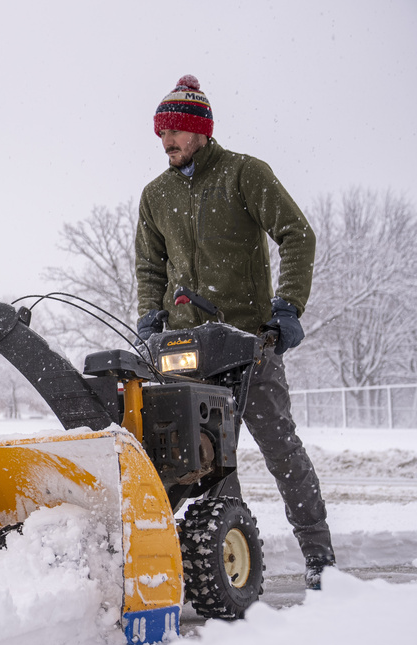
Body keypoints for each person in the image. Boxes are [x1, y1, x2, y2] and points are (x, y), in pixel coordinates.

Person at [134, 75, 335, 589]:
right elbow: (150, 268)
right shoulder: (155, 195)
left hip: (248, 344)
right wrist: (149, 317)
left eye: (175, 132)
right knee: (206, 463)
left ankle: (320, 559)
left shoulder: (244, 173)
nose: (167, 141)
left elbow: (297, 234)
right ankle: (228, 573)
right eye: (162, 133)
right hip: (187, 352)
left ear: (201, 131)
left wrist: (287, 306)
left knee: (281, 451)